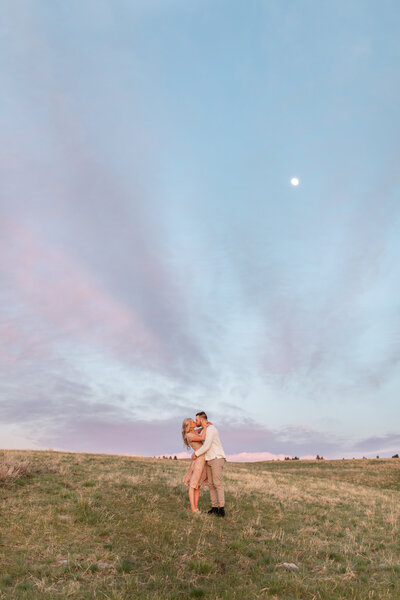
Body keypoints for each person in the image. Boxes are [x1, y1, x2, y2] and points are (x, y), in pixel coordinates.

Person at [192, 411, 226, 517]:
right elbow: (194, 432)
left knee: (217, 483)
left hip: (216, 458)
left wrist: (196, 454)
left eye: (197, 420)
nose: (195, 422)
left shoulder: (211, 429)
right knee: (211, 484)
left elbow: (206, 446)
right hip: (209, 459)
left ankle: (222, 509)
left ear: (202, 419)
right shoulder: (206, 429)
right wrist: (202, 427)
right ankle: (214, 507)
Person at [182, 418, 210, 513]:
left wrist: (204, 425)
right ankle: (193, 508)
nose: (195, 422)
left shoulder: (194, 432)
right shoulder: (189, 435)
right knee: (193, 485)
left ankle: (196, 508)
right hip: (198, 461)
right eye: (193, 422)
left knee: (198, 485)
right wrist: (205, 427)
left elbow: (199, 429)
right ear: (190, 425)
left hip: (203, 460)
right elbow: (202, 438)